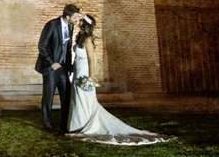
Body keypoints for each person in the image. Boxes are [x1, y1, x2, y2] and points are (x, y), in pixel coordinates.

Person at [67, 14, 173, 145]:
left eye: (82, 20)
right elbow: (77, 56)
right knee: (77, 97)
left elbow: (91, 59)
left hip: (84, 71)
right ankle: (77, 125)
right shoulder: (80, 37)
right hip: (78, 69)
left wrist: (91, 77)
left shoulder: (88, 39)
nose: (79, 21)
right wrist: (72, 67)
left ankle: (85, 125)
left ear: (85, 24)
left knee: (85, 98)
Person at [35, 3, 80, 132]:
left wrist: (69, 65)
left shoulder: (70, 27)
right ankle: (47, 124)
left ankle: (64, 124)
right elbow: (42, 46)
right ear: (67, 17)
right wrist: (51, 63)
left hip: (64, 68)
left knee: (66, 96)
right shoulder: (52, 25)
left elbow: (67, 48)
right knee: (48, 97)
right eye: (75, 17)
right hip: (51, 68)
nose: (77, 20)